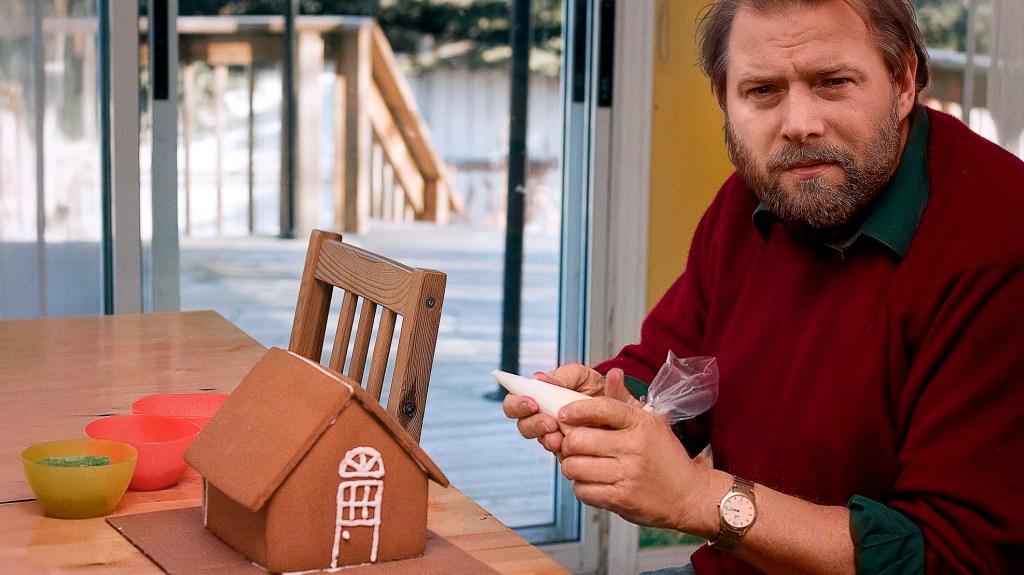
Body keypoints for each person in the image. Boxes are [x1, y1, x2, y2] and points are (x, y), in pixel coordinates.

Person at [503, 0, 1024, 573]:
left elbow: (948, 556)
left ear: (903, 83)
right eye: (762, 92)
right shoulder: (757, 195)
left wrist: (695, 498)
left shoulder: (1002, 241)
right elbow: (676, 374)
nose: (799, 124)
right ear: (726, 103)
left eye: (832, 83)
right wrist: (613, 408)